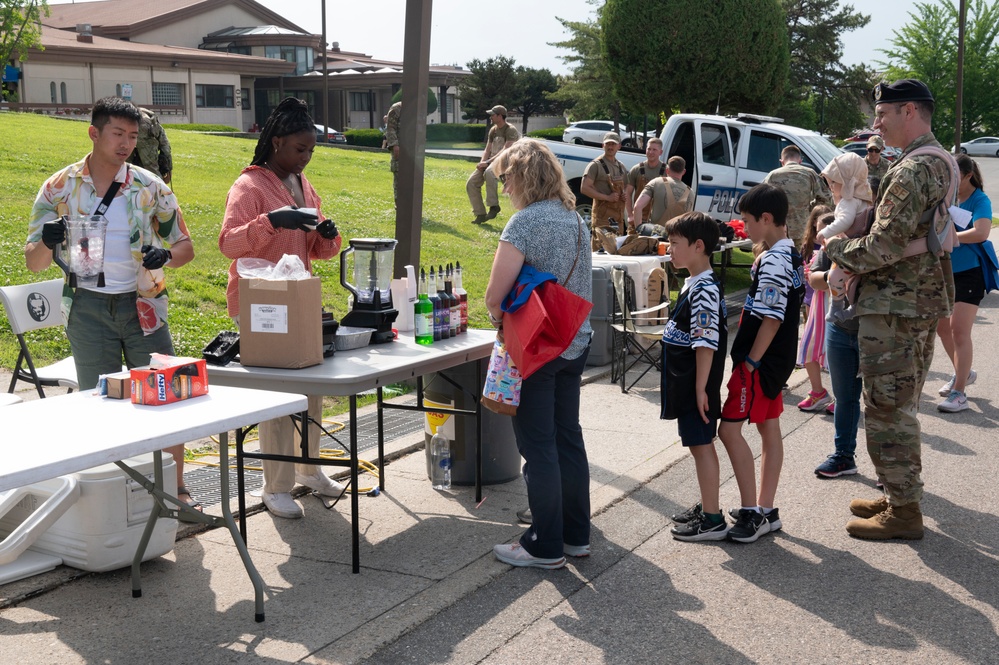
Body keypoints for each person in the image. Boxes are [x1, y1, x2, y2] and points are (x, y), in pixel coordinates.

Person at [25, 96, 196, 509]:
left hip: (144, 306)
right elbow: (33, 263)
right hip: (87, 308)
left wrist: (166, 256)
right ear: (94, 133)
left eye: (132, 136)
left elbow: (186, 246)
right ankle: (112, 499)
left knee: (167, 395)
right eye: (117, 133)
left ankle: (176, 493)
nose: (125, 143)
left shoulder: (149, 186)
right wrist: (48, 241)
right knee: (97, 404)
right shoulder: (59, 187)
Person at [825, 79, 956, 540]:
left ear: (909, 111)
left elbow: (883, 246)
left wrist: (837, 251)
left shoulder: (912, 170)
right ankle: (901, 496)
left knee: (886, 409)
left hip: (896, 303)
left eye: (883, 113)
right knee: (901, 405)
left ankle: (904, 513)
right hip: (918, 299)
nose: (876, 123)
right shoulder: (940, 162)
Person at [218, 97, 345, 520]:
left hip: (299, 299)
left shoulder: (303, 185)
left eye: (311, 151)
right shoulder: (249, 186)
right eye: (299, 150)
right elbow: (228, 244)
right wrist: (273, 221)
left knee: (310, 392)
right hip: (260, 305)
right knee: (278, 398)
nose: (305, 158)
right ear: (276, 143)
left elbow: (320, 252)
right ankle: (274, 486)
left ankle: (308, 470)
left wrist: (326, 234)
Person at [485, 138, 593, 569]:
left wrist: (500, 314)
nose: (505, 187)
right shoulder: (576, 219)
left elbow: (495, 296)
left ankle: (543, 543)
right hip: (575, 342)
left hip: (536, 348)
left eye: (506, 177)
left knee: (538, 445)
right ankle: (575, 535)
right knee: (568, 438)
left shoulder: (524, 224)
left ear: (523, 176)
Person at [718, 183, 804, 543]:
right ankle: (766, 509)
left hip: (761, 362)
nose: (744, 226)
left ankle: (752, 511)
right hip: (777, 360)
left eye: (748, 220)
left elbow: (771, 318)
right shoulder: (790, 254)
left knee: (728, 430)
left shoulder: (774, 260)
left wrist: (751, 361)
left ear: (767, 219)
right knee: (769, 428)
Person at [659, 213, 729, 542]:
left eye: (674, 244)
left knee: (702, 446)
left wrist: (701, 389)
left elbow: (705, 343)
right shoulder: (695, 284)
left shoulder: (704, 291)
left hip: (694, 385)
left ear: (698, 246)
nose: (668, 249)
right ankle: (709, 505)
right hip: (688, 383)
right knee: (698, 446)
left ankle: (713, 518)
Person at [935, 154, 996, 412]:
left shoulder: (979, 199)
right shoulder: (946, 197)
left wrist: (952, 238)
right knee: (942, 329)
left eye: (953, 175)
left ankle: (959, 393)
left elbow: (982, 231)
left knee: (959, 330)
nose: (948, 180)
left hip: (970, 272)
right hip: (943, 271)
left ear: (968, 175)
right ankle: (964, 373)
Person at [809, 211, 864, 478]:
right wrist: (836, 276)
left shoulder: (881, 238)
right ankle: (844, 456)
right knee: (845, 398)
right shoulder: (833, 237)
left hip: (876, 329)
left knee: (883, 403)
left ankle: (889, 469)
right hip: (840, 329)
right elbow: (813, 278)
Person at [796, 205, 833, 413]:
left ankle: (841, 397)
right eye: (817, 228)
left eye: (822, 229)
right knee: (809, 347)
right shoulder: (814, 249)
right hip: (817, 305)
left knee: (833, 354)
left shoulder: (837, 248)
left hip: (832, 307)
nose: (819, 234)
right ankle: (817, 391)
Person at [763, 145, 833, 245]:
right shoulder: (810, 174)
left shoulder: (773, 175)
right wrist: (810, 210)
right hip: (802, 229)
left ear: (782, 162)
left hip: (777, 228)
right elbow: (826, 199)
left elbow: (761, 201)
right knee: (798, 259)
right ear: (800, 161)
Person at [467, 105, 520, 224]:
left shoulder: (510, 130)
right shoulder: (493, 130)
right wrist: (482, 162)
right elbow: (487, 149)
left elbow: (506, 150)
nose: (490, 116)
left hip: (505, 162)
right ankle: (480, 214)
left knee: (490, 173)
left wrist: (487, 163)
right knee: (471, 183)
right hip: (491, 161)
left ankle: (493, 206)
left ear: (500, 116)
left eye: (493, 114)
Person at [580, 132, 629, 246]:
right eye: (608, 144)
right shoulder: (595, 165)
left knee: (617, 248)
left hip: (618, 218)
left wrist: (624, 194)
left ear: (619, 146)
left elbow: (626, 186)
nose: (610, 147)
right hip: (602, 218)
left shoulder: (621, 166)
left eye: (613, 144)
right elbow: (584, 188)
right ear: (603, 145)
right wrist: (607, 197)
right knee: (600, 249)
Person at [631, 156, 693, 228]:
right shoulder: (690, 192)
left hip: (655, 234)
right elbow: (689, 219)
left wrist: (639, 229)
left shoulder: (656, 182)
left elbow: (637, 207)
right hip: (677, 237)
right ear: (684, 172)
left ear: (667, 170)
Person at [625, 137, 666, 229]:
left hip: (658, 222)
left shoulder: (666, 171)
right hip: (638, 219)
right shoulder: (637, 169)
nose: (651, 152)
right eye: (649, 149)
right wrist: (630, 214)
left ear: (660, 152)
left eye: (654, 150)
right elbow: (627, 193)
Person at [129, 107, 172, 184]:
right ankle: (160, 191)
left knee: (125, 167)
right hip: (146, 130)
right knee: (152, 170)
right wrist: (169, 173)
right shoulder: (154, 124)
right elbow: (166, 149)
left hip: (131, 131)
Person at [384, 101, 402, 209]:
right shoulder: (397, 108)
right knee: (399, 174)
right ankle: (399, 203)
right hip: (399, 147)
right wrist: (394, 145)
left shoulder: (417, 108)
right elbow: (390, 128)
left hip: (412, 149)